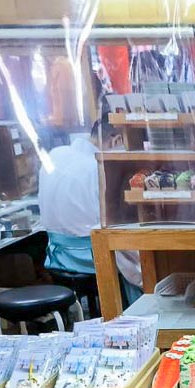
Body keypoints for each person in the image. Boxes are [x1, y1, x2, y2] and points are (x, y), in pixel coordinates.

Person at [38, 120, 142, 307]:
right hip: (90, 259)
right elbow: (111, 224)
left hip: (58, 256)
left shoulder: (55, 155)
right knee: (139, 267)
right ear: (117, 140)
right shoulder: (99, 169)